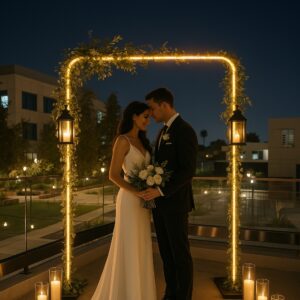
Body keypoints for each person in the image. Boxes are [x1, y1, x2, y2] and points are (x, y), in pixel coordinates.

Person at [91, 101, 157, 300]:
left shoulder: (144, 143)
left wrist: (149, 187)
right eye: (145, 116)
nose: (148, 121)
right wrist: (137, 191)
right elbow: (113, 175)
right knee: (128, 244)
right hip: (129, 200)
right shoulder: (122, 141)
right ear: (134, 117)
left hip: (143, 202)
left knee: (141, 245)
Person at [144, 88, 198, 300]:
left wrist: (159, 190)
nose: (151, 113)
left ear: (164, 105)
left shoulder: (185, 130)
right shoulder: (161, 131)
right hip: (160, 206)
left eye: (152, 108)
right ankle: (171, 293)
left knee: (180, 255)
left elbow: (188, 170)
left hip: (175, 204)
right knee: (166, 254)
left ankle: (183, 296)